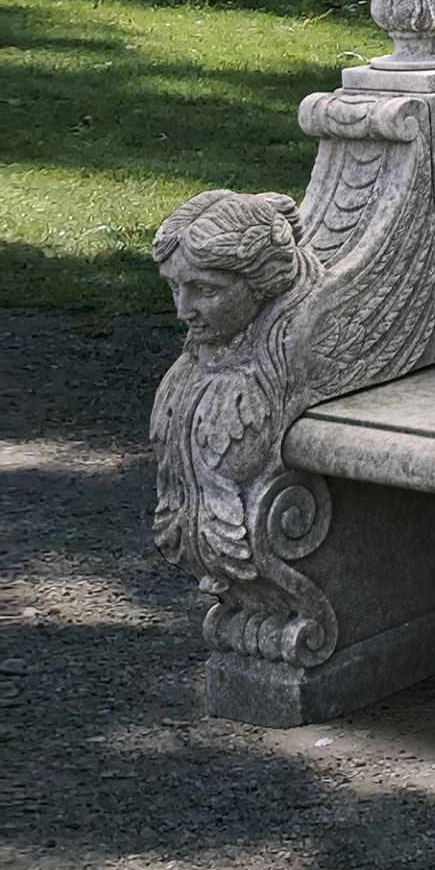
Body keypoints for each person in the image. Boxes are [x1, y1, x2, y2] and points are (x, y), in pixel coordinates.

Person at [148, 191, 320, 591]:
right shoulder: (200, 361)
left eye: (205, 290)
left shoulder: (295, 339)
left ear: (263, 284)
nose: (183, 311)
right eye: (175, 287)